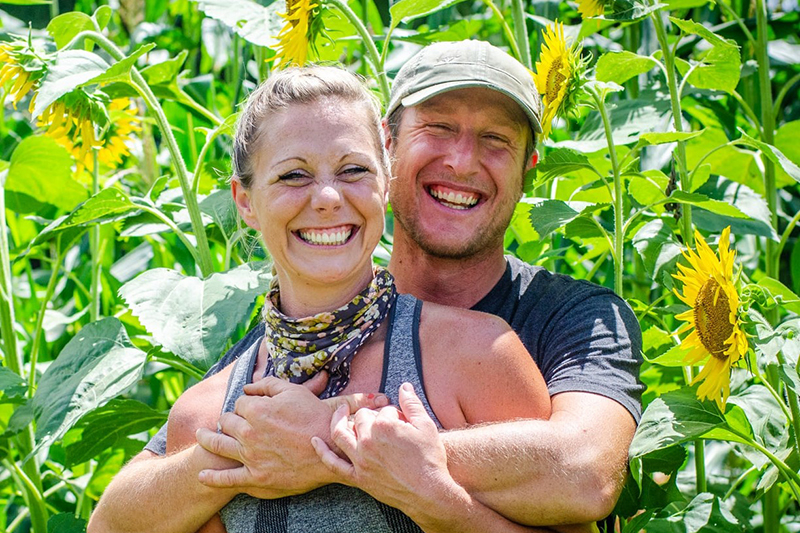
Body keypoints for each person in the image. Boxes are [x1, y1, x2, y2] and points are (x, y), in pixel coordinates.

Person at [89, 40, 642, 533]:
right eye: (439, 128)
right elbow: (116, 518)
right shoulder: (226, 398)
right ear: (393, 154)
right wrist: (238, 452)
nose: (461, 159)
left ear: (530, 169)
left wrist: (336, 441)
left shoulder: (523, 336)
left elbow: (583, 473)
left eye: (495, 139)